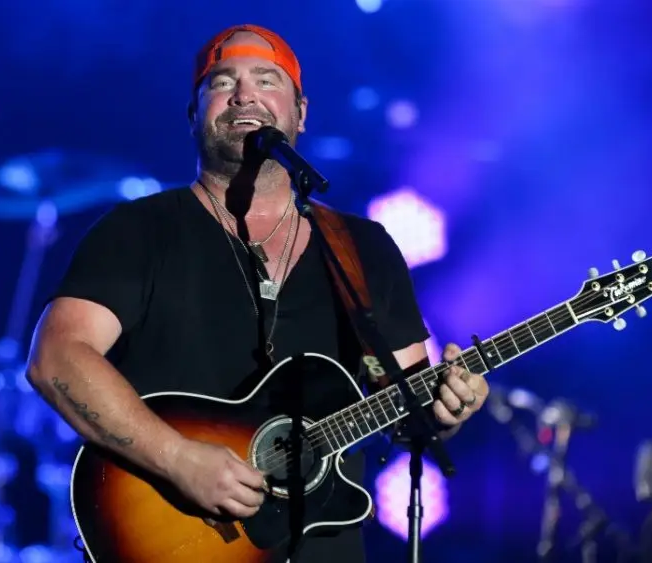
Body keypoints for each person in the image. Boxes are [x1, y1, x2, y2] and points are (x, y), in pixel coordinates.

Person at [25, 23, 490, 563]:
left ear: (301, 112)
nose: (245, 94)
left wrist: (444, 411)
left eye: (267, 81)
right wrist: (178, 460)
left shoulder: (364, 248)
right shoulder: (137, 231)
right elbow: (56, 359)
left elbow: (408, 407)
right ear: (193, 114)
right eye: (222, 83)